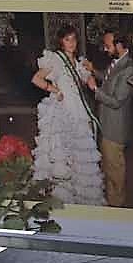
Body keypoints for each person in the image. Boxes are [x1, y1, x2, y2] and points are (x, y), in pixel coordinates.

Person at [29, 24, 105, 205]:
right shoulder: (55, 59)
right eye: (67, 39)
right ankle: (63, 198)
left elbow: (89, 80)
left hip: (79, 111)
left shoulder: (79, 63)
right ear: (61, 42)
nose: (71, 43)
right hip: (63, 112)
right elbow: (36, 79)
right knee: (63, 156)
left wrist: (91, 77)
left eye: (73, 39)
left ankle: (81, 200)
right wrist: (54, 89)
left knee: (81, 157)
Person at [93, 33, 133, 207]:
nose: (105, 49)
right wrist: (93, 70)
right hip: (107, 126)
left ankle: (117, 209)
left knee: (115, 174)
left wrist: (95, 90)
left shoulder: (128, 68)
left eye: (108, 45)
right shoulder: (118, 63)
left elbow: (116, 100)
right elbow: (107, 78)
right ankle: (112, 204)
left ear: (119, 45)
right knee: (109, 170)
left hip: (115, 130)